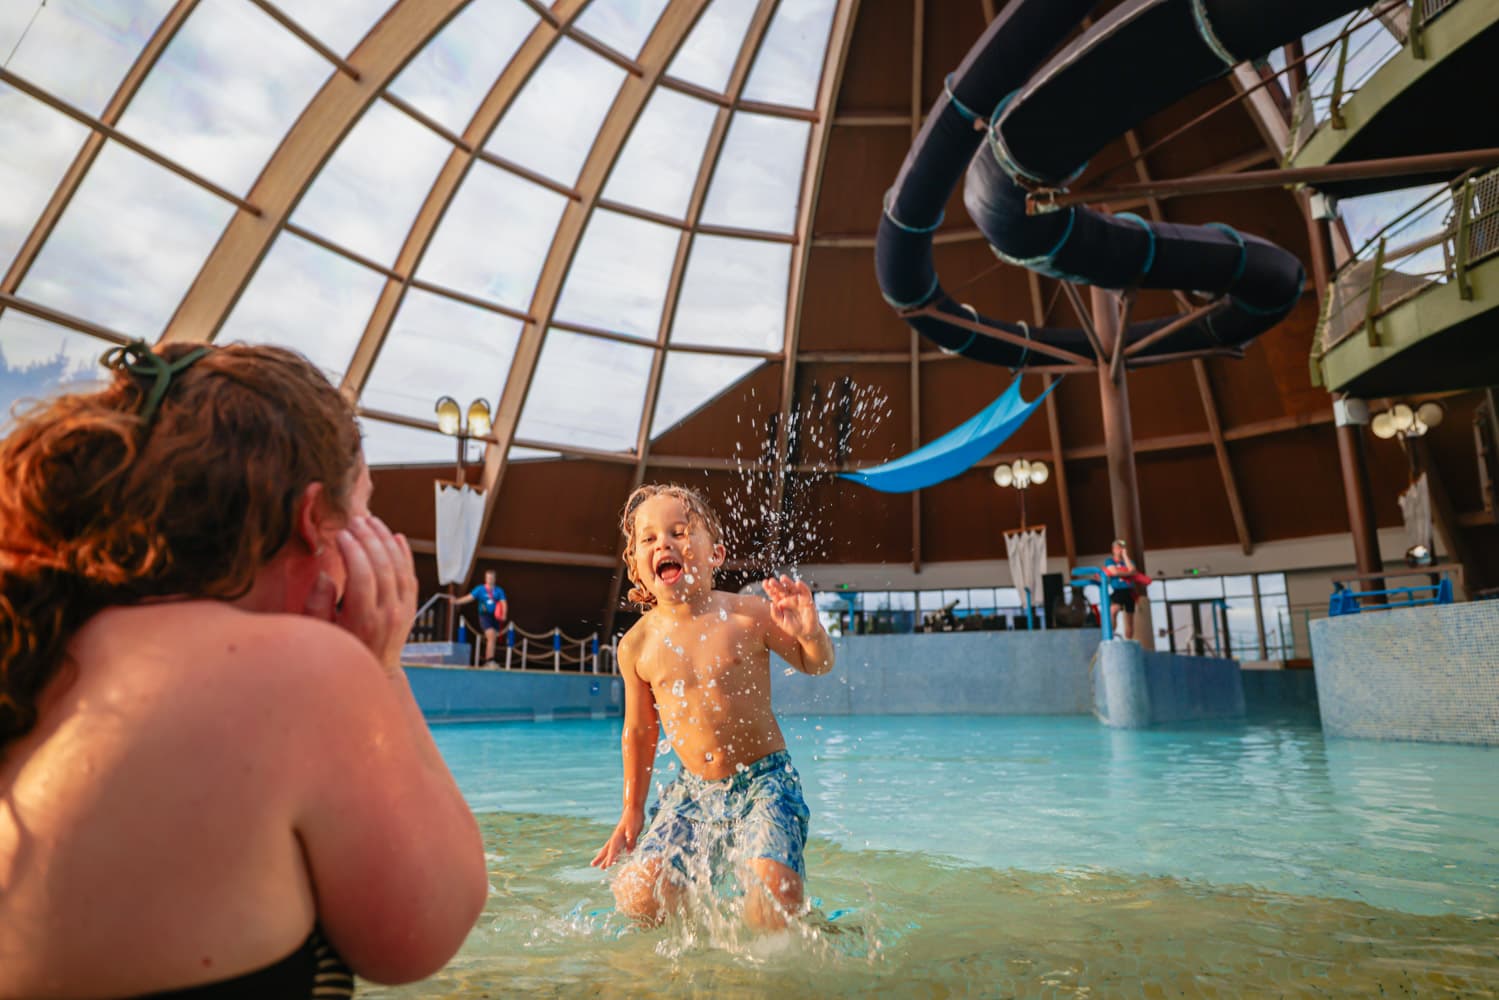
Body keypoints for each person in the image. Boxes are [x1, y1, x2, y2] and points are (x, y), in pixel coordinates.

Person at [0, 341, 488, 998]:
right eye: (364, 510)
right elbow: (424, 932)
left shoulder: (41, 633)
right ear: (314, 518)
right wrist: (382, 673)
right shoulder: (303, 674)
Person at [590, 484, 835, 931]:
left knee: (771, 902)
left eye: (679, 531)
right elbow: (640, 732)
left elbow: (815, 665)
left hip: (765, 782)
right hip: (693, 793)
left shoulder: (749, 615)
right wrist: (632, 809)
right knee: (638, 895)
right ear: (639, 572)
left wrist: (811, 633)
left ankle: (809, 924)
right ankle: (697, 942)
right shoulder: (637, 646)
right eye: (649, 539)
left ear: (716, 554)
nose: (664, 543)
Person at [446, 568, 508, 666]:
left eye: (491, 578)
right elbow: (469, 597)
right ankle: (490, 661)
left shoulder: (499, 591)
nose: (490, 580)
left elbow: (503, 603)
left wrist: (504, 614)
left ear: (494, 579)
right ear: (485, 578)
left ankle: (489, 659)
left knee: (492, 639)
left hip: (495, 617)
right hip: (484, 616)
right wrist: (456, 601)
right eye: (488, 578)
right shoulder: (480, 589)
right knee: (491, 636)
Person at [1103, 538, 1139, 640]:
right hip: (1118, 591)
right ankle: (1111, 635)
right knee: (1113, 610)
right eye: (1118, 548)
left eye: (1122, 548)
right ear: (1114, 549)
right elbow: (1114, 572)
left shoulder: (1129, 561)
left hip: (1129, 591)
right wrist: (1128, 573)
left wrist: (1125, 556)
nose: (1120, 550)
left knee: (1130, 619)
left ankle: (1129, 640)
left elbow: (1133, 569)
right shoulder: (1109, 561)